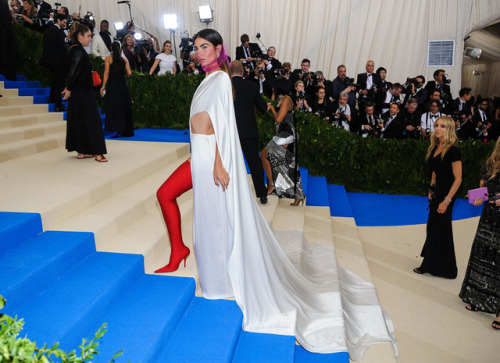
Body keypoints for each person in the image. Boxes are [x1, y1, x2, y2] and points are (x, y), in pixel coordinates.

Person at [414, 116, 462, 278]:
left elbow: (458, 179)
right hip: (438, 192)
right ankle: (437, 265)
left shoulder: (453, 150)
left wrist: (447, 201)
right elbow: (434, 173)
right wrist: (431, 189)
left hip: (449, 193)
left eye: (442, 126)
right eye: (436, 125)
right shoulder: (435, 147)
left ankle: (439, 267)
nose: (438, 128)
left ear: (448, 129)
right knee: (433, 227)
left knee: (440, 228)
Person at [459, 137, 500, 329]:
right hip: (488, 219)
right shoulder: (490, 164)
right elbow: (482, 191)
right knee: (483, 257)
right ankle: (479, 298)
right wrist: (477, 198)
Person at [62, 23, 107, 162]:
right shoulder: (78, 51)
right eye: (88, 36)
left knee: (80, 120)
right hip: (83, 92)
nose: (90, 39)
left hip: (79, 92)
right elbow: (73, 71)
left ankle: (83, 151)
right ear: (80, 36)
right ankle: (98, 152)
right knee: (93, 121)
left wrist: (69, 87)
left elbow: (73, 71)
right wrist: (68, 87)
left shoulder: (76, 50)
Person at [260, 78, 305, 205]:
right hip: (283, 134)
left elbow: (279, 119)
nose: (273, 89)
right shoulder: (283, 99)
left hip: (286, 135)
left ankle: (272, 184)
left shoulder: (286, 100)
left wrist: (272, 109)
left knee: (266, 156)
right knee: (286, 163)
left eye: (275, 87)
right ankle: (296, 194)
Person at [230, 60, 269, 204]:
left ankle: (229, 193)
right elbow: (263, 108)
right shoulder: (252, 86)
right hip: (249, 131)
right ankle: (262, 194)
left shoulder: (226, 86)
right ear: (243, 72)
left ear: (230, 71)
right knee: (254, 163)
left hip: (231, 132)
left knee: (229, 162)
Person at [100, 41, 134, 138]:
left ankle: (115, 129)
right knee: (123, 106)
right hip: (122, 85)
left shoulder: (108, 58)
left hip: (113, 84)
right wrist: (125, 78)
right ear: (119, 48)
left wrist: (103, 86)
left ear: (111, 48)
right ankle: (123, 129)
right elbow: (129, 73)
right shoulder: (124, 59)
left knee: (114, 106)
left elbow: (106, 73)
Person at [40, 13, 67, 112]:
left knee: (55, 81)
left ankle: (51, 99)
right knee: (59, 84)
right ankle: (58, 105)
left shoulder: (47, 31)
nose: (65, 24)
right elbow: (62, 49)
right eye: (63, 22)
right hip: (58, 62)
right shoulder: (59, 32)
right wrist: (66, 62)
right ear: (58, 21)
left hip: (48, 61)